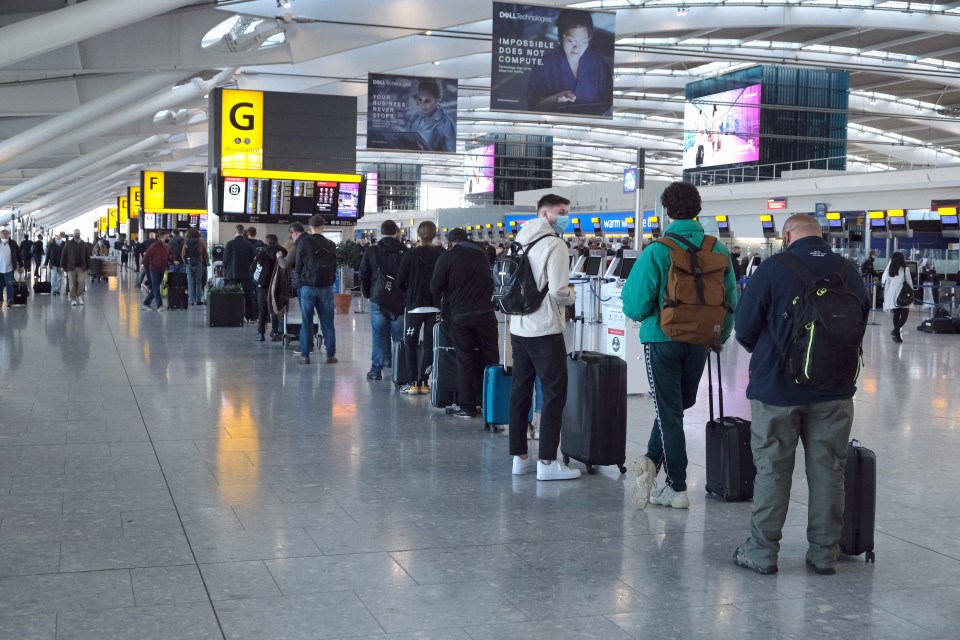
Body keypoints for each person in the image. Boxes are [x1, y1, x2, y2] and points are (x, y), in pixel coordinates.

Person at [732, 213, 869, 576]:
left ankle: (762, 552)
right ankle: (824, 554)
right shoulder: (850, 270)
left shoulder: (773, 269)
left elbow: (744, 328)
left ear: (787, 234)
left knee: (773, 470)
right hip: (835, 390)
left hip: (776, 389)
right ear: (820, 235)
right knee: (829, 472)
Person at [624, 181, 738, 510]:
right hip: (701, 340)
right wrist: (719, 335)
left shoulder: (658, 250)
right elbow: (731, 300)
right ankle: (649, 462)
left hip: (662, 339)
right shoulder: (717, 249)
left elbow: (634, 303)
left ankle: (676, 487)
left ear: (667, 211)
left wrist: (647, 315)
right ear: (698, 210)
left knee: (670, 413)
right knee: (676, 407)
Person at [508, 194, 580, 481]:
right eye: (561, 212)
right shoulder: (555, 244)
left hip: (518, 327)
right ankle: (548, 462)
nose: (565, 217)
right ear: (545, 214)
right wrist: (573, 295)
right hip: (545, 329)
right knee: (553, 394)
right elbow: (560, 291)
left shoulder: (519, 240)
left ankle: (520, 458)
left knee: (520, 391)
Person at [429, 227, 499, 418]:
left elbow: (435, 287)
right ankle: (490, 404)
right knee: (490, 359)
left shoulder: (447, 257)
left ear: (450, 243)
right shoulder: (482, 254)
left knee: (465, 360)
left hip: (461, 315)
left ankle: (468, 407)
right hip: (487, 314)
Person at [526, 9, 612, 115]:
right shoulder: (545, 65)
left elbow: (606, 103)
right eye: (571, 41)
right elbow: (533, 105)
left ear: (589, 38)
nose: (577, 48)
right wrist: (554, 99)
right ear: (561, 37)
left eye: (583, 42)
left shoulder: (600, 65)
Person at [282, 216, 338, 365]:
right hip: (326, 287)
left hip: (307, 287)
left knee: (307, 321)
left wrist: (302, 281)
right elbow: (334, 266)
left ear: (310, 227)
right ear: (323, 227)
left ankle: (305, 355)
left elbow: (298, 266)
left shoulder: (304, 243)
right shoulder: (331, 244)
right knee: (328, 322)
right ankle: (330, 355)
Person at [396, 221, 443, 395]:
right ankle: (424, 381)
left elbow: (400, 281)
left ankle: (412, 382)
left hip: (414, 306)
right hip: (435, 307)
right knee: (431, 345)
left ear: (418, 235)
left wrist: (408, 293)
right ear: (434, 235)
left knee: (410, 343)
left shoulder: (410, 255)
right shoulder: (440, 255)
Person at [359, 220, 407, 380]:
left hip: (377, 298)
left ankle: (376, 370)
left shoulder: (371, 250)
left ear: (381, 232)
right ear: (396, 232)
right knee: (399, 337)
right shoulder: (405, 251)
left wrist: (367, 294)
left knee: (379, 334)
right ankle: (400, 372)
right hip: (399, 300)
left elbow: (364, 274)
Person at [406, 79, 456, 153]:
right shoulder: (416, 117)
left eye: (427, 101)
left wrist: (426, 152)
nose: (422, 105)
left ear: (438, 100)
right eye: (420, 100)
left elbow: (451, 154)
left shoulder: (446, 124)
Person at [252, 233, 285, 342]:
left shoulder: (262, 253)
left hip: (263, 286)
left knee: (262, 310)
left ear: (266, 242)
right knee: (275, 309)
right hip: (277, 285)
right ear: (277, 240)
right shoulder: (283, 251)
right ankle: (275, 332)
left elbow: (254, 268)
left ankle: (261, 334)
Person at [223, 223, 256, 321]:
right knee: (247, 295)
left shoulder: (229, 244)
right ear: (243, 232)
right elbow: (252, 259)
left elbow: (225, 260)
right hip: (246, 273)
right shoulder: (248, 244)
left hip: (232, 273)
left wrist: (226, 269)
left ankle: (233, 315)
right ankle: (249, 316)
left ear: (235, 232)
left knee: (233, 294)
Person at [882, 251, 913, 343]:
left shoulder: (890, 269)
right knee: (904, 314)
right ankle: (896, 330)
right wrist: (910, 294)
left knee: (896, 314)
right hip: (902, 293)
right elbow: (909, 282)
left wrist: (886, 295)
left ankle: (897, 336)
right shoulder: (905, 269)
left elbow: (887, 283)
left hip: (892, 293)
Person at [59, 229, 90, 307]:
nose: (77, 234)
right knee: (72, 283)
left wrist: (89, 267)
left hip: (82, 267)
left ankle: (79, 296)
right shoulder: (68, 244)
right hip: (71, 267)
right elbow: (64, 255)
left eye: (78, 233)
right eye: (76, 233)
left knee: (81, 282)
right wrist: (62, 266)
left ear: (80, 234)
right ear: (73, 234)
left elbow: (87, 256)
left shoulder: (84, 244)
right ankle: (73, 299)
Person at [140, 231, 170, 311]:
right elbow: (147, 255)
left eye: (168, 237)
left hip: (162, 269)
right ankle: (159, 305)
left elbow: (167, 256)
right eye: (166, 237)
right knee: (156, 287)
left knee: (155, 288)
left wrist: (173, 261)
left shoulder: (166, 246)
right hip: (154, 269)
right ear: (161, 238)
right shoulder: (155, 246)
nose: (168, 239)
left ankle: (146, 303)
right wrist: (143, 265)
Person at [181, 227, 208, 306]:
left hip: (189, 263)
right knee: (198, 282)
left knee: (190, 282)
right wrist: (207, 262)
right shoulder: (201, 241)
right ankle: (198, 300)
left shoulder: (186, 242)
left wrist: (185, 262)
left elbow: (183, 254)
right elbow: (205, 253)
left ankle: (191, 301)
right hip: (198, 263)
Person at [0, 228, 22, 309]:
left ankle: (10, 300)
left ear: (9, 235)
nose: (5, 236)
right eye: (3, 234)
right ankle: (0, 301)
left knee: (10, 284)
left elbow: (18, 255)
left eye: (6, 234)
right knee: (0, 285)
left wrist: (21, 265)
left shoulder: (13, 243)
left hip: (9, 268)